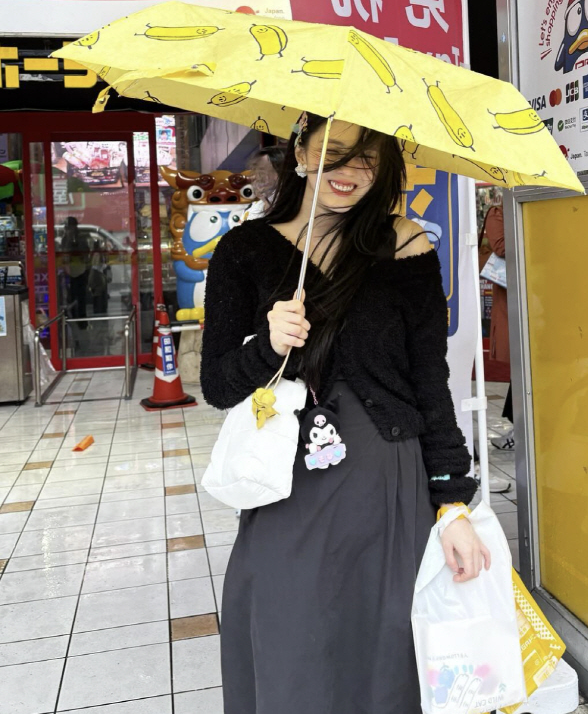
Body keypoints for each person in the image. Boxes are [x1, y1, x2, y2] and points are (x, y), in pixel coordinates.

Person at [201, 115, 490, 714]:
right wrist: (267, 345)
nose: (349, 172)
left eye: (368, 159)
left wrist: (454, 501)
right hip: (287, 484)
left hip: (386, 482)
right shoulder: (246, 251)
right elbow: (217, 385)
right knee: (293, 640)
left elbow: (429, 385)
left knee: (384, 650)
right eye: (335, 153)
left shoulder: (406, 245)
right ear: (301, 151)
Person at [484, 203, 515, 451]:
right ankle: (519, 430)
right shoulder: (499, 212)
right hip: (514, 297)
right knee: (523, 367)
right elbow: (501, 246)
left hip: (541, 292)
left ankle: (519, 428)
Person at [60, 216, 91, 329]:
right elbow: (63, 253)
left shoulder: (81, 238)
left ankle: (82, 321)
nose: (70, 230)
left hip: (80, 270)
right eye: (68, 228)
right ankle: (72, 319)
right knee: (70, 297)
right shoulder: (65, 239)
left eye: (71, 227)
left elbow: (86, 252)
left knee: (81, 297)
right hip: (69, 271)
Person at [245, 145, 285, 219]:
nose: (252, 177)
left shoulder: (296, 212)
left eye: (261, 172)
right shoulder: (252, 210)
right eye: (254, 170)